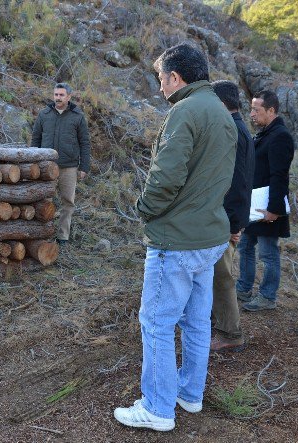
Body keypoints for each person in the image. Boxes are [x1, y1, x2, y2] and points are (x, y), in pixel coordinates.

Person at [113, 44, 237, 432]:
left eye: (161, 79)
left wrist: (145, 209)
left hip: (178, 240)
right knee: (198, 322)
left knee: (157, 323)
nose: (161, 87)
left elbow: (165, 177)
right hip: (210, 236)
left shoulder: (183, 112)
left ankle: (157, 408)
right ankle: (188, 393)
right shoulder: (221, 111)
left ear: (175, 77)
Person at [236, 90, 294, 312]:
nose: (251, 114)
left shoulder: (280, 136)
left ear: (271, 111)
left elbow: (280, 175)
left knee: (268, 253)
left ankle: (268, 296)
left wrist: (274, 210)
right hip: (253, 205)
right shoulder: (265, 133)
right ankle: (243, 288)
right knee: (246, 246)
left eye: (256, 110)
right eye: (251, 109)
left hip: (268, 206)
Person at [209, 81, 255, 352]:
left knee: (221, 276)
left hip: (227, 221)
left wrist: (233, 223)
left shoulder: (234, 131)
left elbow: (237, 182)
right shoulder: (239, 129)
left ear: (221, 103)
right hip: (230, 217)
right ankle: (218, 324)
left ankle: (230, 333)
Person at [31, 83, 91, 245]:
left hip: (69, 167)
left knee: (68, 202)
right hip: (45, 166)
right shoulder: (44, 114)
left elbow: (84, 143)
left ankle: (62, 236)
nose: (58, 98)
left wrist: (84, 167)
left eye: (61, 95)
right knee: (43, 200)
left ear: (69, 97)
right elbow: (35, 139)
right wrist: (32, 164)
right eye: (56, 94)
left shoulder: (77, 116)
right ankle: (41, 234)